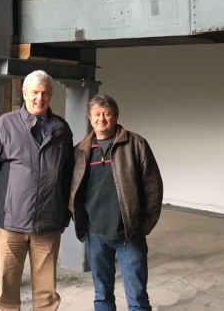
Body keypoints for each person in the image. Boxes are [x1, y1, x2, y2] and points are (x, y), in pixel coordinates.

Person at [0, 70, 75, 311]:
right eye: (34, 93)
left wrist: (65, 215)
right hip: (11, 223)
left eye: (44, 93)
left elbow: (69, 176)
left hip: (48, 224)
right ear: (24, 93)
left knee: (46, 293)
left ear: (51, 95)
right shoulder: (5, 125)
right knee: (8, 289)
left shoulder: (61, 129)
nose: (39, 99)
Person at [70, 94, 163, 311]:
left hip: (129, 234)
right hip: (96, 235)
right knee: (102, 294)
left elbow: (153, 187)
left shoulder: (136, 144)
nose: (101, 119)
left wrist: (143, 226)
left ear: (116, 116)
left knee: (137, 297)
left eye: (107, 114)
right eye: (97, 114)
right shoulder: (81, 150)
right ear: (90, 118)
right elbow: (73, 189)